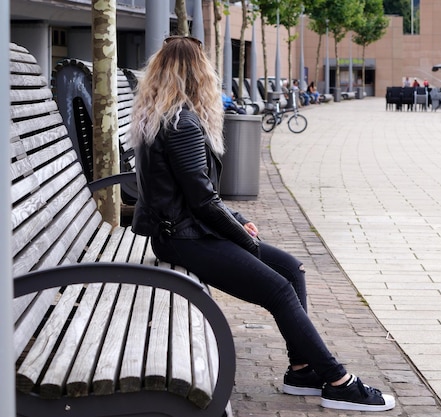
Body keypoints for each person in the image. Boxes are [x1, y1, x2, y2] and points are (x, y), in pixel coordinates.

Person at [129, 36, 395, 412]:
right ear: (198, 73)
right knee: (279, 290)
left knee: (292, 269)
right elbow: (203, 202)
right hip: (184, 238)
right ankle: (338, 381)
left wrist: (240, 220)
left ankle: (302, 371)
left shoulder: (159, 116)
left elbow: (194, 194)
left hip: (185, 231)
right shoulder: (182, 122)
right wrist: (244, 239)